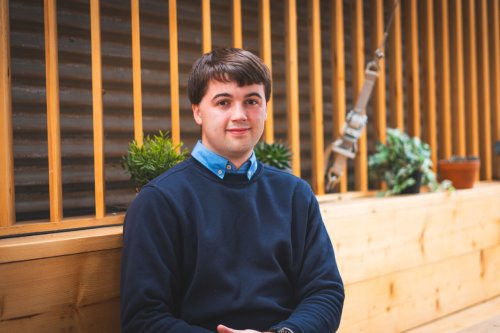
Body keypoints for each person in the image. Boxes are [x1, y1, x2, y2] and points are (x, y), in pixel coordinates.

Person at [121, 48, 344, 333]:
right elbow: (143, 319)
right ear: (197, 111)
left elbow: (325, 292)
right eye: (223, 102)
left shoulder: (295, 194)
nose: (239, 115)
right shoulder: (160, 201)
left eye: (251, 101)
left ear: (265, 108)